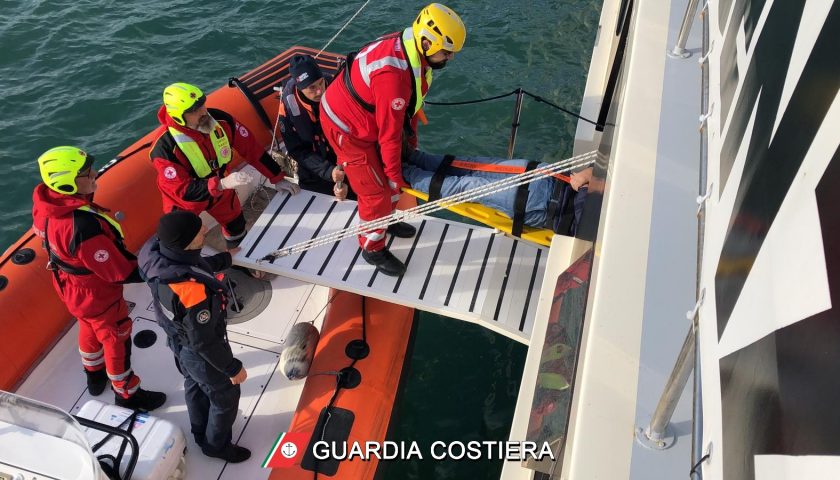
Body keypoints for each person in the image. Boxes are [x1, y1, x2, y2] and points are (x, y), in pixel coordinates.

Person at [319, 3, 467, 276]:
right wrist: (393, 175)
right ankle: (372, 248)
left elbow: (408, 108)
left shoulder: (410, 53)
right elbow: (388, 133)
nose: (450, 58)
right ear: (427, 42)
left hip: (367, 117)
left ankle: (386, 221)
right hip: (348, 130)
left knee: (393, 179)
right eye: (447, 52)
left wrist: (409, 147)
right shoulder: (393, 76)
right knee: (376, 191)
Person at [31, 146, 167, 411]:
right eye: (86, 172)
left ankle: (94, 375)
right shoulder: (83, 227)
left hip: (69, 287)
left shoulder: (46, 207)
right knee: (116, 338)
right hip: (97, 295)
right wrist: (160, 269)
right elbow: (120, 271)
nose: (94, 173)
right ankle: (127, 392)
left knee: (88, 327)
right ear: (67, 184)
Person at [138, 211, 250, 463]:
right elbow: (203, 341)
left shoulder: (158, 256)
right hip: (197, 350)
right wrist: (232, 368)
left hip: (176, 342)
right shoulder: (192, 292)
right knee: (225, 396)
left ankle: (199, 430)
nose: (204, 232)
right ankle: (216, 446)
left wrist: (224, 259)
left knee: (195, 384)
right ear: (187, 242)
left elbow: (190, 266)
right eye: (199, 231)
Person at [150, 82, 300, 249]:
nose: (203, 111)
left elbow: (252, 149)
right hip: (186, 201)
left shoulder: (221, 121)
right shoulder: (165, 148)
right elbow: (183, 191)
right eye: (194, 110)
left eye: (202, 104)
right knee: (184, 239)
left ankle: (238, 261)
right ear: (178, 116)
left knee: (235, 223)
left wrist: (277, 177)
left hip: (220, 187)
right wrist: (222, 183)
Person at [402, 150, 591, 235]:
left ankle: (404, 172)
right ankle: (411, 156)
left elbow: (588, 220)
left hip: (544, 203)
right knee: (469, 165)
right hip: (549, 175)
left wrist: (584, 183)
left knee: (467, 185)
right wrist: (588, 173)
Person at [278, 54, 354, 200]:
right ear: (300, 88)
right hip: (313, 170)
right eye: (312, 87)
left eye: (320, 83)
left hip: (345, 160)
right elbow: (297, 150)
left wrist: (343, 175)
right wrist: (329, 172)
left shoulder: (339, 90)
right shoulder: (288, 109)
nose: (319, 91)